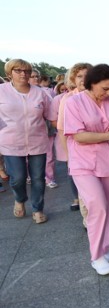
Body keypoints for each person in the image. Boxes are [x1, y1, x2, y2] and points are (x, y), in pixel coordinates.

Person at [64, 64, 109, 275]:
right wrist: (108, 136)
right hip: (83, 164)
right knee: (97, 205)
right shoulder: (73, 102)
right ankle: (96, 256)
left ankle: (105, 247)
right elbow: (78, 136)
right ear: (92, 84)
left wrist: (101, 135)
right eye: (105, 89)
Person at [0, 59, 53, 223]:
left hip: (37, 141)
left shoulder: (41, 93)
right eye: (18, 70)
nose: (23, 74)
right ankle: (20, 199)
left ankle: (37, 209)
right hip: (11, 142)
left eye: (27, 71)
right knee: (17, 178)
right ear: (9, 73)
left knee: (38, 178)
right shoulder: (1, 91)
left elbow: (51, 116)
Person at [54, 63, 92, 215]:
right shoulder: (68, 99)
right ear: (73, 79)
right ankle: (88, 220)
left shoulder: (101, 94)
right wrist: (69, 156)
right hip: (78, 151)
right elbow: (62, 129)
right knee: (85, 190)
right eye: (79, 76)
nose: (83, 79)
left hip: (100, 152)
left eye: (87, 75)